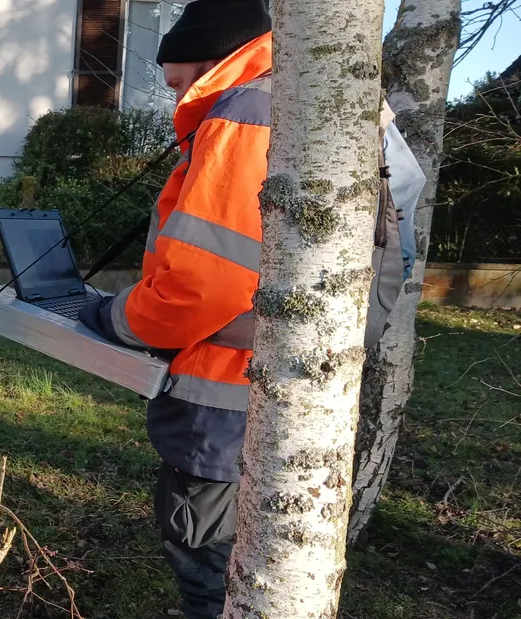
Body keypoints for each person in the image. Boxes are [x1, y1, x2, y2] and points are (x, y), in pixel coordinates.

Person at [78, 1, 424, 617]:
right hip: (303, 395)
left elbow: (198, 287)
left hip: (224, 399)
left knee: (209, 559)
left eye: (181, 80)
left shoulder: (245, 110)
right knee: (277, 561)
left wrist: (114, 317)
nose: (174, 94)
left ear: (215, 57)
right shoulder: (341, 103)